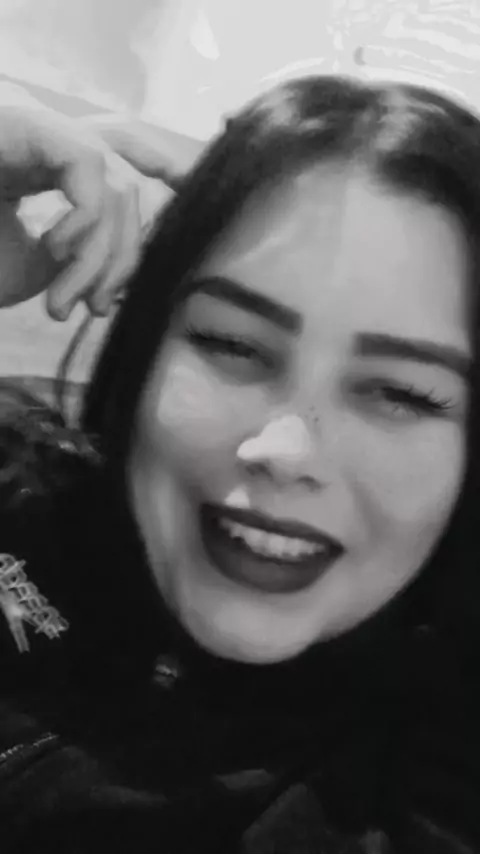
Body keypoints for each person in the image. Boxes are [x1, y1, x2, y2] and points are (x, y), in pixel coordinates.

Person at [1, 73, 480, 853]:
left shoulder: (430, 788)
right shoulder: (20, 486)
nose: (285, 453)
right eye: (231, 344)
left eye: (400, 392)